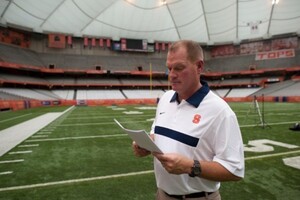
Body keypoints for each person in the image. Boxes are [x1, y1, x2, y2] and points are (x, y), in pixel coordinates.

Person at [132, 40, 244, 200]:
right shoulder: (165, 98)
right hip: (162, 194)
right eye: (169, 68)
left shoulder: (220, 111)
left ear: (199, 67)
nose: (171, 75)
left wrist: (190, 166)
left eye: (179, 68)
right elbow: (157, 135)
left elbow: (234, 170)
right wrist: (146, 145)